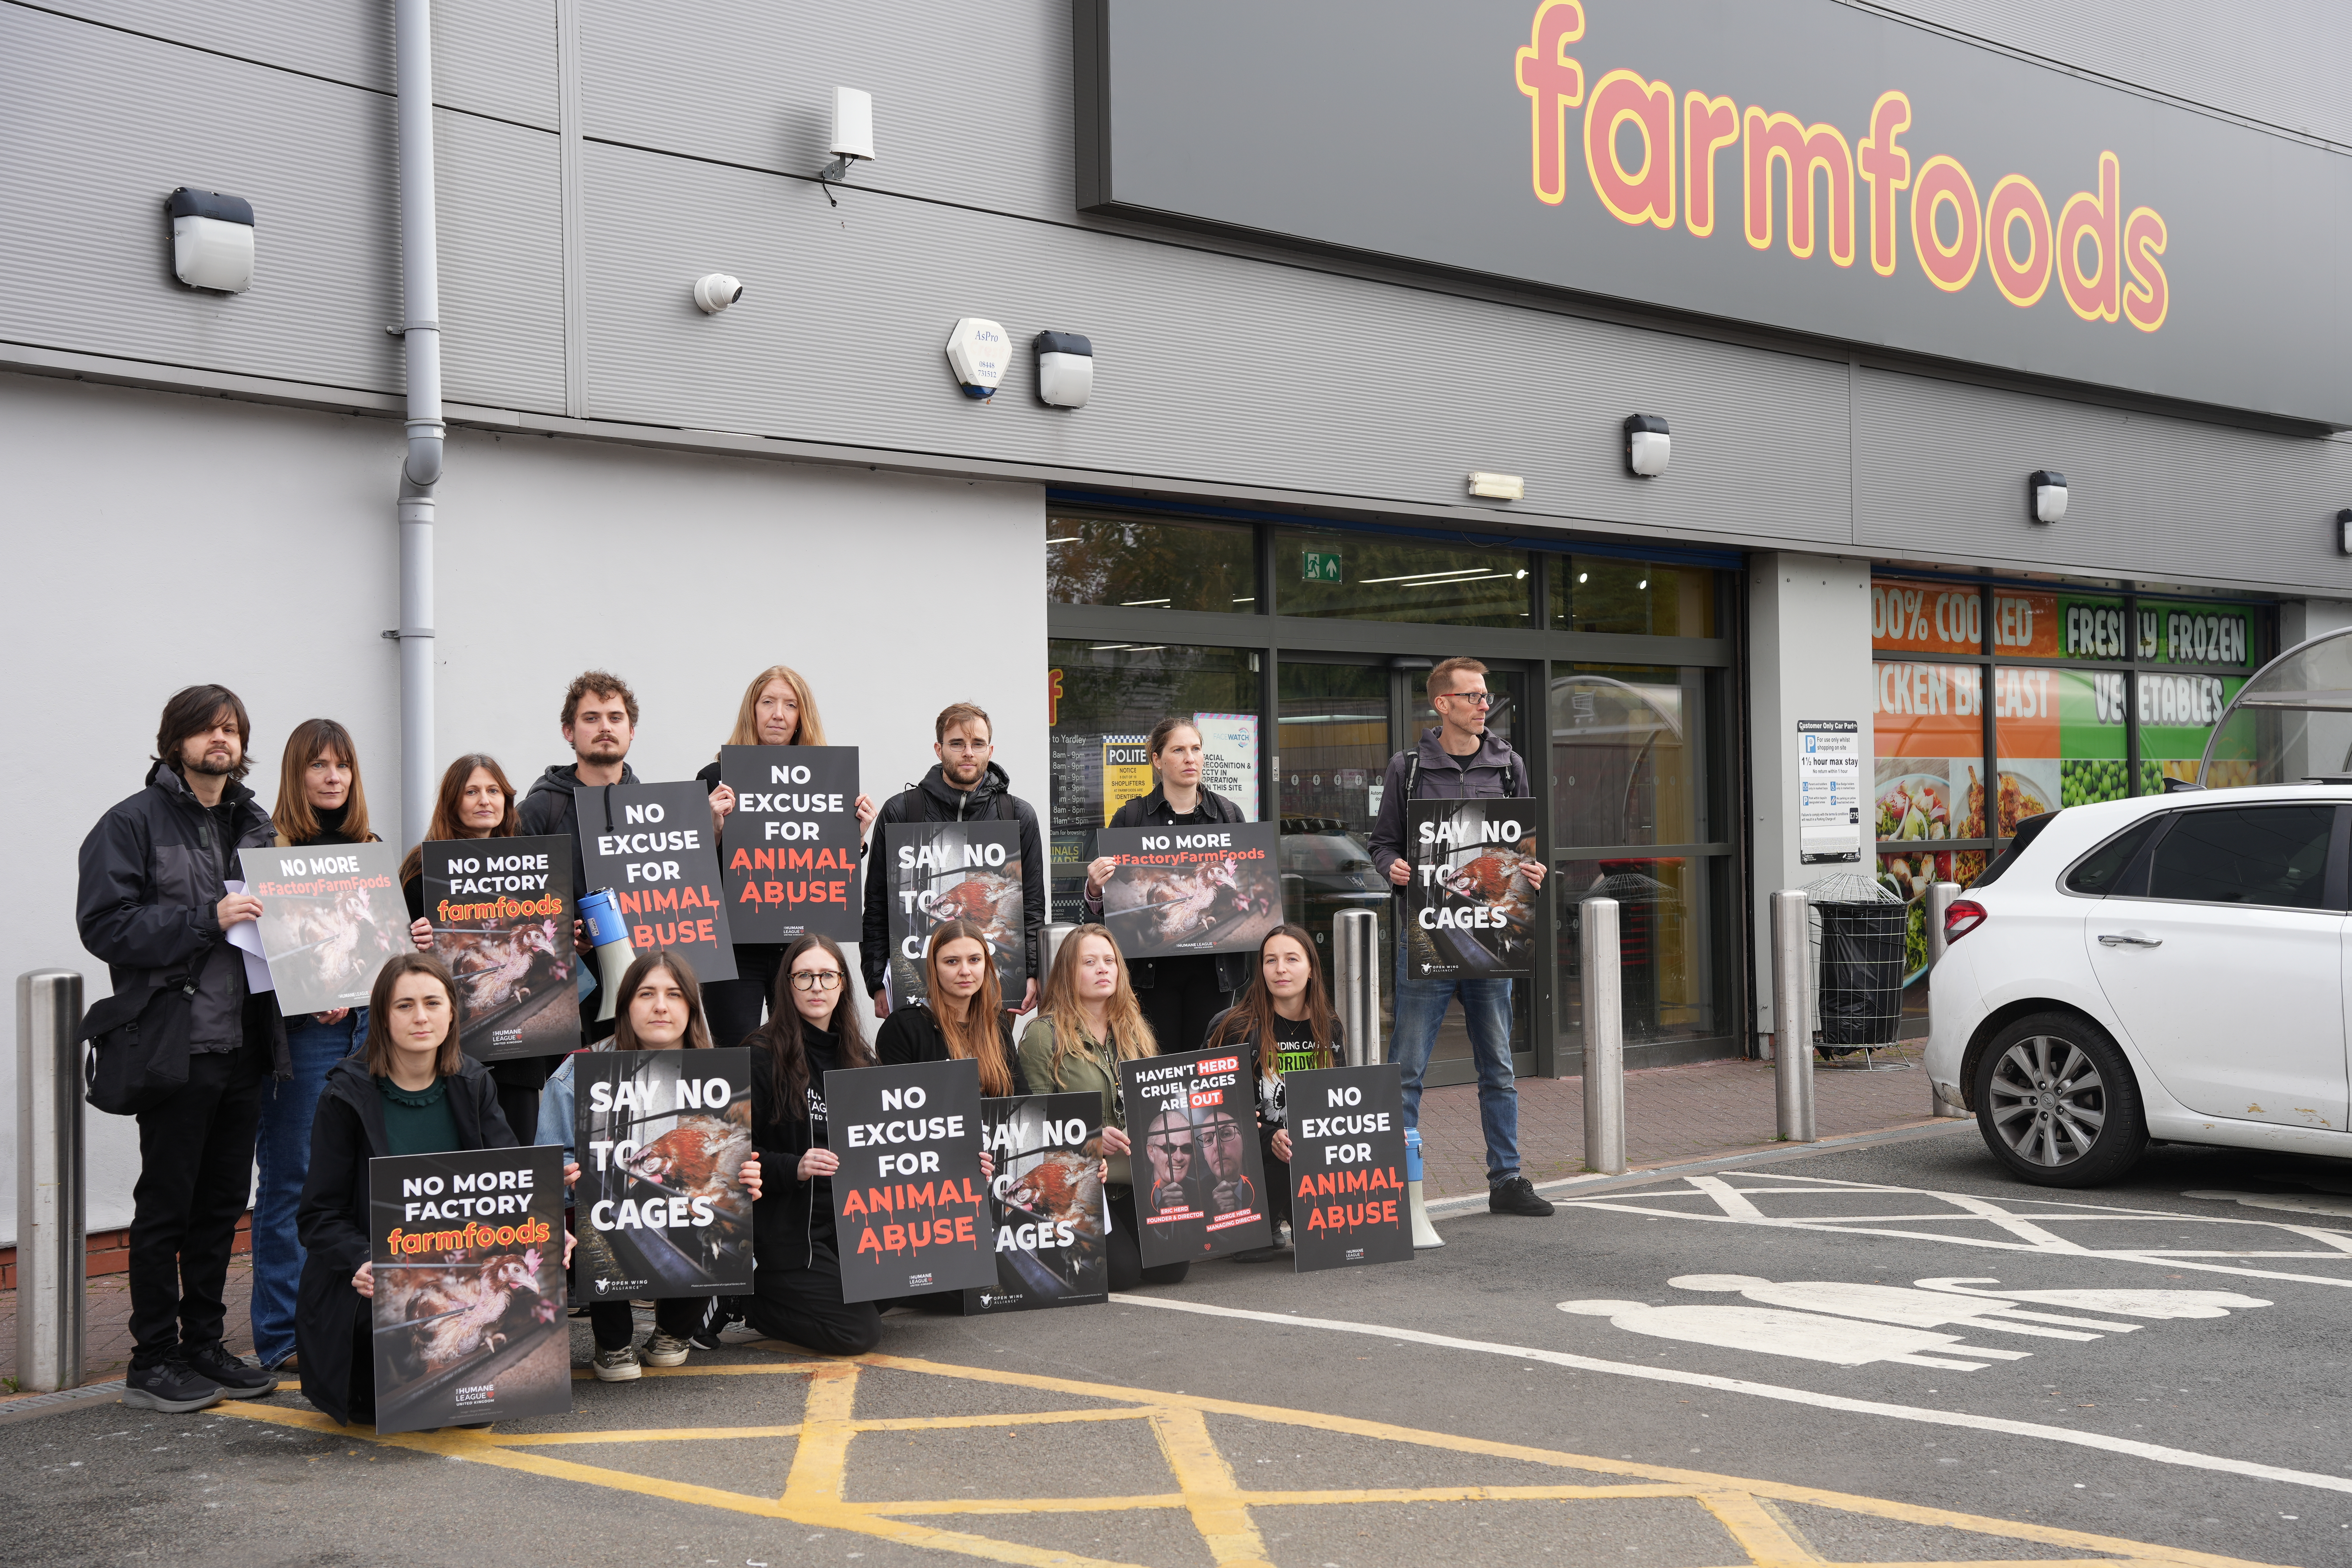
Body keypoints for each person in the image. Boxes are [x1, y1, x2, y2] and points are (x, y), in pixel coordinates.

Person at [77, 685, 289, 1413]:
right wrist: (207, 917)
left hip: (245, 1047)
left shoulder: (257, 825)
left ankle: (203, 1345)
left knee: (222, 1206)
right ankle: (151, 1358)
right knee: (165, 1206)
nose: (220, 740)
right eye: (206, 729)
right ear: (176, 741)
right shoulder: (130, 823)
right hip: (174, 1044)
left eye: (231, 729)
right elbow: (106, 926)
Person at [292, 953, 523, 1428]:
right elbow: (319, 1215)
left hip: (460, 1268)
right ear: (381, 1017)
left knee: (474, 1400)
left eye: (433, 1003)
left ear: (453, 1012)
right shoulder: (345, 1097)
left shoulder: (475, 1084)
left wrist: (544, 1233)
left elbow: (512, 1192)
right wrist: (361, 1259)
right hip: (378, 1277)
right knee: (388, 1396)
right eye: (405, 1006)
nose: (421, 1017)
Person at [1367, 657, 1553, 1218]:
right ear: (1441, 704)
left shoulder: (1508, 765)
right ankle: (1399, 1185)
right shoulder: (1410, 768)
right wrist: (1392, 867)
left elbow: (1523, 848)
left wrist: (1535, 872)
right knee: (1407, 1070)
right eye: (1471, 696)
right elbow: (1381, 844)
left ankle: (1507, 1179)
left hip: (1493, 938)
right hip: (1427, 934)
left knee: (1497, 1066)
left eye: (1485, 695)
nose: (1483, 705)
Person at [542, 951, 764, 1381]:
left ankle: (674, 1332)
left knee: (723, 1204)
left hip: (680, 1196)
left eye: (674, 995)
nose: (661, 1006)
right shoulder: (580, 1069)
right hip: (608, 1208)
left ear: (691, 1008)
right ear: (625, 1004)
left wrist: (748, 1177)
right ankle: (613, 1342)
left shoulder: (719, 1073)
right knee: (598, 1204)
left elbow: (735, 1152)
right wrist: (567, 1177)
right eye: (647, 994)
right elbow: (546, 1162)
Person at [518, 672, 722, 1125]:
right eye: (591, 718)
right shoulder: (540, 811)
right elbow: (516, 910)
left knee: (640, 1108)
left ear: (632, 731)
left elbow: (684, 894)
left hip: (635, 993)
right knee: (576, 1108)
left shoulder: (660, 809)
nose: (604, 726)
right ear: (569, 732)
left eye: (616, 717)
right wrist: (565, 936)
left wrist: (708, 833)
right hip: (566, 997)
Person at [249, 719, 381, 1375]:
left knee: (356, 1182)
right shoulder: (267, 849)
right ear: (296, 774)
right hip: (299, 1039)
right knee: (293, 1182)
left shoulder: (370, 846)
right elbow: (247, 953)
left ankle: (342, 1327)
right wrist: (303, 983)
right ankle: (280, 1336)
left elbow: (377, 946)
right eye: (319, 766)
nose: (333, 777)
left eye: (343, 766)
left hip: (365, 1032)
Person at [697, 666, 878, 1051]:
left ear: (801, 717)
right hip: (733, 950)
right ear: (753, 711)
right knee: (736, 1058)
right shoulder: (716, 777)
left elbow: (827, 871)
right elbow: (697, 874)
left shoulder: (829, 780)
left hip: (800, 947)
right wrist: (712, 828)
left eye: (790, 705)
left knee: (806, 1052)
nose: (778, 713)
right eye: (768, 702)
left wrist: (855, 838)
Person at [1016, 927, 1189, 1290]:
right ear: (1067, 972)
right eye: (1089, 962)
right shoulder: (1042, 1036)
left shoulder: (1136, 1030)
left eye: (1109, 961)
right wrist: (1090, 1138)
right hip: (1079, 1185)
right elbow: (1031, 1129)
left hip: (1131, 1180)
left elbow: (1156, 1107)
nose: (1103, 969)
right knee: (1123, 1272)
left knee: (1172, 1267)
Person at [742, 934, 883, 1357]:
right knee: (858, 1333)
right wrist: (795, 1166)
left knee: (919, 1279)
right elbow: (734, 1158)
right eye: (805, 976)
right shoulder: (760, 1054)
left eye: (827, 976)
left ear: (843, 984)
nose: (817, 986)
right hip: (793, 1231)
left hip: (853, 1227)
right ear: (787, 985)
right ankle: (747, 1300)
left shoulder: (861, 1057)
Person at [862, 702, 1046, 1019]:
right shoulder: (902, 812)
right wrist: (878, 981)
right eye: (957, 744)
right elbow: (877, 905)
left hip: (995, 990)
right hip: (921, 996)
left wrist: (1031, 972)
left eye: (977, 744)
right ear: (939, 749)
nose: (968, 753)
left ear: (990, 749)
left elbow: (1032, 906)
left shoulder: (1017, 815)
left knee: (993, 1069)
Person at [1081, 717, 1253, 1055]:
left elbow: (1244, 889)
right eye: (1179, 750)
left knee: (1206, 1065)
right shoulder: (1131, 817)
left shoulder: (1229, 816)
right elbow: (1105, 908)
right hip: (1151, 975)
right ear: (1158, 761)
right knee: (1155, 1066)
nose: (1191, 758)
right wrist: (1096, 889)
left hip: (1213, 973)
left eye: (1196, 749)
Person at [1203, 925, 1344, 1260]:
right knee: (1286, 1149)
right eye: (1270, 960)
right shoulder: (1235, 1026)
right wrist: (1268, 1136)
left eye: (1292, 959)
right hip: (1247, 1162)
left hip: (1307, 1156)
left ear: (1311, 969)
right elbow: (1206, 1110)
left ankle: (1288, 1216)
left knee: (1333, 1241)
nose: (1280, 969)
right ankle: (1257, 1222)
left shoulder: (1328, 1025)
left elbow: (1339, 1102)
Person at [874, 920, 1029, 1094]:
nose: (965, 971)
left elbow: (1022, 1100)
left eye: (974, 960)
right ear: (934, 968)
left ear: (986, 965)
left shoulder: (997, 1021)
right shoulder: (903, 1027)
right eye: (952, 962)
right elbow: (897, 1109)